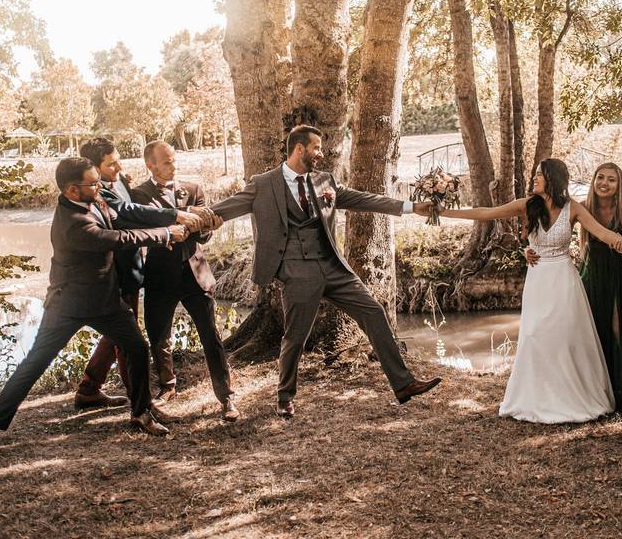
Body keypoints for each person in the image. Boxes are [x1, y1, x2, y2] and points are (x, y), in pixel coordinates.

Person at [209, 124, 441, 418]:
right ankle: (284, 396)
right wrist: (202, 217)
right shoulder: (264, 183)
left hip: (333, 266)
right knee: (296, 337)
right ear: (299, 149)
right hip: (296, 269)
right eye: (316, 148)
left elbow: (363, 199)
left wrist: (411, 207)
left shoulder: (324, 181)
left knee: (372, 311)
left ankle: (403, 384)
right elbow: (234, 205)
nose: (321, 154)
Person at [0, 157, 185, 458]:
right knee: (35, 363)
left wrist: (174, 218)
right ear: (73, 190)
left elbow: (126, 216)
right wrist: (164, 235)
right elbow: (116, 238)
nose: (100, 187)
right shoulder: (72, 223)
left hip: (105, 301)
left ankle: (141, 412)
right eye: (94, 183)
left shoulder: (95, 199)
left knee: (137, 348)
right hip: (68, 304)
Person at [439, 158, 622, 424]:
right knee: (535, 334)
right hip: (539, 280)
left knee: (564, 337)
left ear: (553, 178)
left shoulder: (573, 208)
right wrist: (443, 212)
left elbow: (602, 233)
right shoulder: (527, 206)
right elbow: (485, 213)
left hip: (564, 279)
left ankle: (572, 398)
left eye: (539, 174)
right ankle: (537, 397)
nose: (535, 178)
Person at [73, 137, 206, 410]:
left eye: (118, 159)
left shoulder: (120, 180)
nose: (120, 166)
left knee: (118, 333)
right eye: (112, 163)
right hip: (112, 271)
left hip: (132, 270)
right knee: (128, 337)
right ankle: (139, 399)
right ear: (94, 170)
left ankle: (89, 386)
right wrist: (172, 221)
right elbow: (130, 211)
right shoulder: (96, 193)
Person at [526, 162, 622, 414]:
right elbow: (547, 229)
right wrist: (529, 250)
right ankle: (598, 387)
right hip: (594, 270)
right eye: (600, 178)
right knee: (592, 325)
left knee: (619, 326)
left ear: (619, 185)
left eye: (611, 180)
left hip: (621, 272)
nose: (604, 183)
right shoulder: (584, 206)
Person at [131, 141, 238, 421]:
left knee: (211, 336)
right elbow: (145, 228)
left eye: (174, 160)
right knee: (158, 335)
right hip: (159, 276)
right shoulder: (139, 195)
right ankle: (167, 386)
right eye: (166, 162)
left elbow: (202, 235)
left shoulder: (193, 190)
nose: (173, 166)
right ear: (150, 164)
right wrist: (173, 228)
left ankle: (226, 396)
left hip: (195, 274)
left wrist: (208, 227)